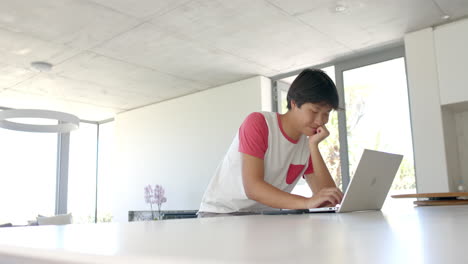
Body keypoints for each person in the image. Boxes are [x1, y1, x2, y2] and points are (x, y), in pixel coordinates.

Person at [198, 69, 343, 217]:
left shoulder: (307, 144)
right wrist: (307, 202)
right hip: (222, 213)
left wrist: (314, 147)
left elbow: (330, 200)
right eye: (314, 111)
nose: (320, 121)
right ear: (294, 103)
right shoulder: (260, 123)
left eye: (326, 113)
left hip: (261, 217)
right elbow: (253, 188)